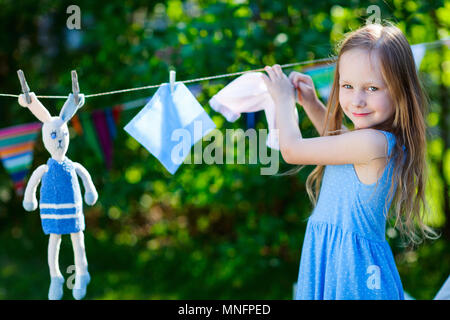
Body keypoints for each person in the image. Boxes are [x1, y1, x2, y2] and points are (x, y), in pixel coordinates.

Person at [262, 22, 439, 300]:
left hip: (353, 272)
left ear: (400, 91)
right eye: (347, 85)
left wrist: (283, 100)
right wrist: (310, 103)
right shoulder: (371, 143)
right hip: (338, 260)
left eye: (372, 88)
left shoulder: (374, 143)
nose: (356, 100)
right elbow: (340, 145)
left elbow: (292, 150)